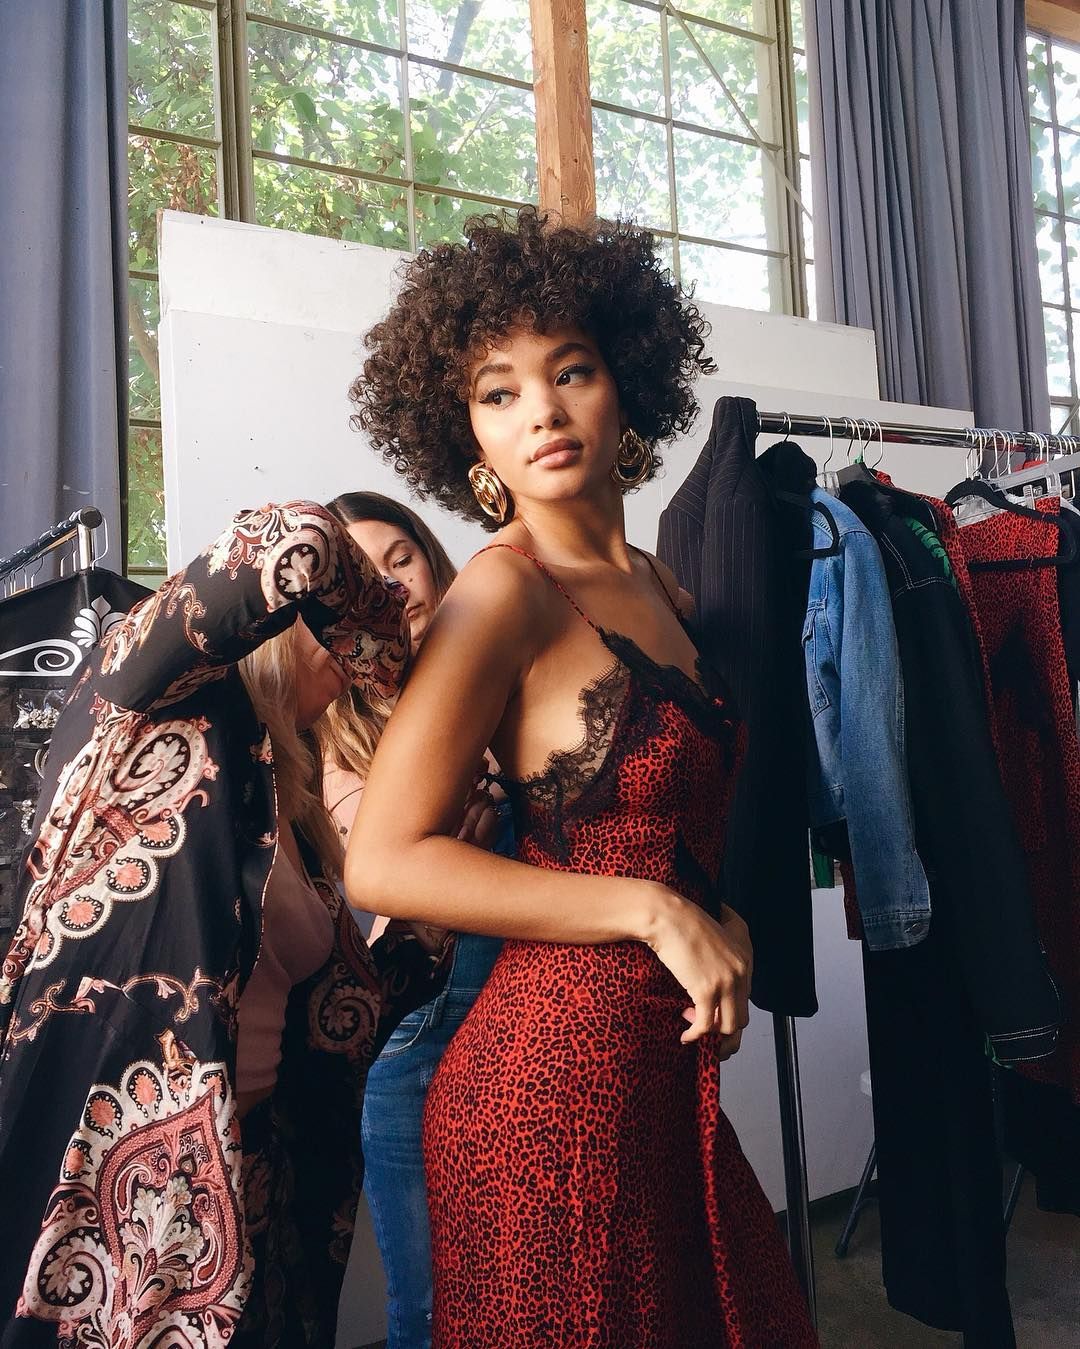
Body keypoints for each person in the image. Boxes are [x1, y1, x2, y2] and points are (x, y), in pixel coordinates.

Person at [346, 208, 818, 1346]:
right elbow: (384, 861)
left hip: (657, 1079)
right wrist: (655, 910)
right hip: (544, 1101)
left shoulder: (663, 585)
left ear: (627, 387)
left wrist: (721, 915)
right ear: (469, 438)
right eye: (498, 391)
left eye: (571, 372)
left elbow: (663, 817)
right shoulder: (501, 594)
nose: (543, 412)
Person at [0, 500, 444, 1348]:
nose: (376, 597)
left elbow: (346, 1014)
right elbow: (298, 538)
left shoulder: (291, 799)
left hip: (241, 1183)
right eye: (360, 581)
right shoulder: (151, 683)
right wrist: (396, 656)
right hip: (103, 1175)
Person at [315, 491, 507, 1349]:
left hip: (524, 1020)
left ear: (431, 558)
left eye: (402, 558)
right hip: (418, 1032)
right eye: (368, 575)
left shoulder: (500, 664)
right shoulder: (338, 729)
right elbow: (397, 875)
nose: (395, 585)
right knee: (429, 1309)